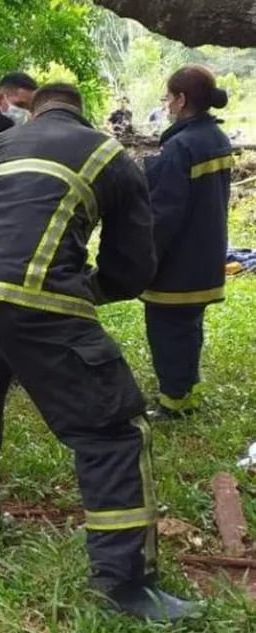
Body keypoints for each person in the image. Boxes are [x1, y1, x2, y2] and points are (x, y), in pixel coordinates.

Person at [0, 83, 200, 621]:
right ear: (81, 112)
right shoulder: (108, 153)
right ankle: (125, 587)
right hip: (32, 289)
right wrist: (90, 288)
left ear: (32, 110)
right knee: (114, 430)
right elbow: (133, 266)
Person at [142, 66, 232, 418]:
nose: (166, 104)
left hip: (177, 265)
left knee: (167, 334)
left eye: (168, 97)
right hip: (206, 258)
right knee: (188, 329)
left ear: (181, 100)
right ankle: (188, 393)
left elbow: (164, 215)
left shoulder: (181, 146)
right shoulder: (216, 138)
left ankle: (173, 404)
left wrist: (144, 256)